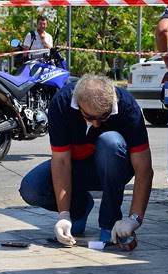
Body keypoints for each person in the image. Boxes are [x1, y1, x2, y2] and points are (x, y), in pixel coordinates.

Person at [19, 74, 154, 246]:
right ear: (77, 103)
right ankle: (79, 208)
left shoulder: (127, 106)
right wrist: (64, 215)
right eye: (90, 117)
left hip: (114, 167)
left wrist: (134, 218)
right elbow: (61, 161)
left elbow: (144, 168)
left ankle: (109, 223)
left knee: (110, 141)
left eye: (104, 116)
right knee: (32, 188)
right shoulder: (62, 103)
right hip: (76, 166)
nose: (97, 124)